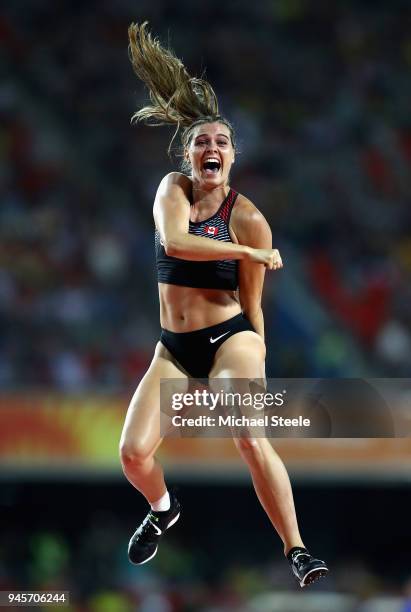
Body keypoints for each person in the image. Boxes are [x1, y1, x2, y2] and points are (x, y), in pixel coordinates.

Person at [119, 21, 328, 588]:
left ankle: (297, 549)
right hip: (174, 348)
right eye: (201, 141)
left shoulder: (251, 217)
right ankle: (164, 510)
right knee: (133, 455)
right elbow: (175, 243)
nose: (211, 148)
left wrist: (254, 349)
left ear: (233, 156)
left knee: (246, 433)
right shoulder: (174, 192)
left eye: (221, 142)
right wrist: (250, 252)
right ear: (186, 155)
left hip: (229, 338)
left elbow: (252, 301)